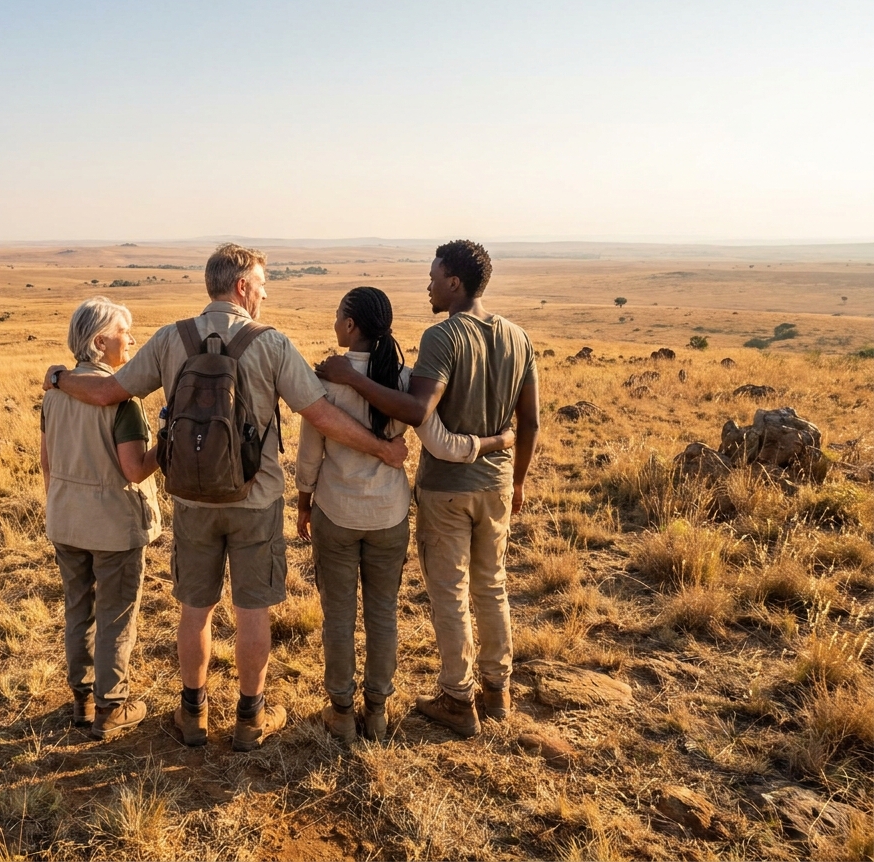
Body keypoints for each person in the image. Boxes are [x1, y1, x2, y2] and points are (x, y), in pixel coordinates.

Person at [43, 243, 408, 751]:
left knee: (196, 608)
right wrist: (383, 449)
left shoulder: (173, 338)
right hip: (255, 501)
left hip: (191, 500)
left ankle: (192, 714)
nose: (263, 293)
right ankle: (249, 718)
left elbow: (108, 392)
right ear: (241, 286)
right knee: (252, 609)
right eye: (260, 284)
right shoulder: (272, 344)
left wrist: (60, 377)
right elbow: (321, 416)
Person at [316, 240, 540, 737]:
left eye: (434, 276)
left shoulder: (443, 336)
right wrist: (518, 476)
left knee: (450, 592)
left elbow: (416, 411)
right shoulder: (519, 337)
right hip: (499, 483)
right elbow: (531, 422)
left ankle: (459, 699)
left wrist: (346, 379)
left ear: (454, 283)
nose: (429, 285)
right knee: (494, 585)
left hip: (447, 489)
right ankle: (497, 691)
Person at [40, 297, 160, 740]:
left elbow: (47, 464)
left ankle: (82, 701)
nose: (131, 339)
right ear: (100, 341)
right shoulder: (121, 399)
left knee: (78, 608)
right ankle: (112, 709)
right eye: (124, 332)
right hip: (113, 524)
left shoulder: (53, 395)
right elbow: (134, 469)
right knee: (116, 614)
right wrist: (164, 443)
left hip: (66, 518)